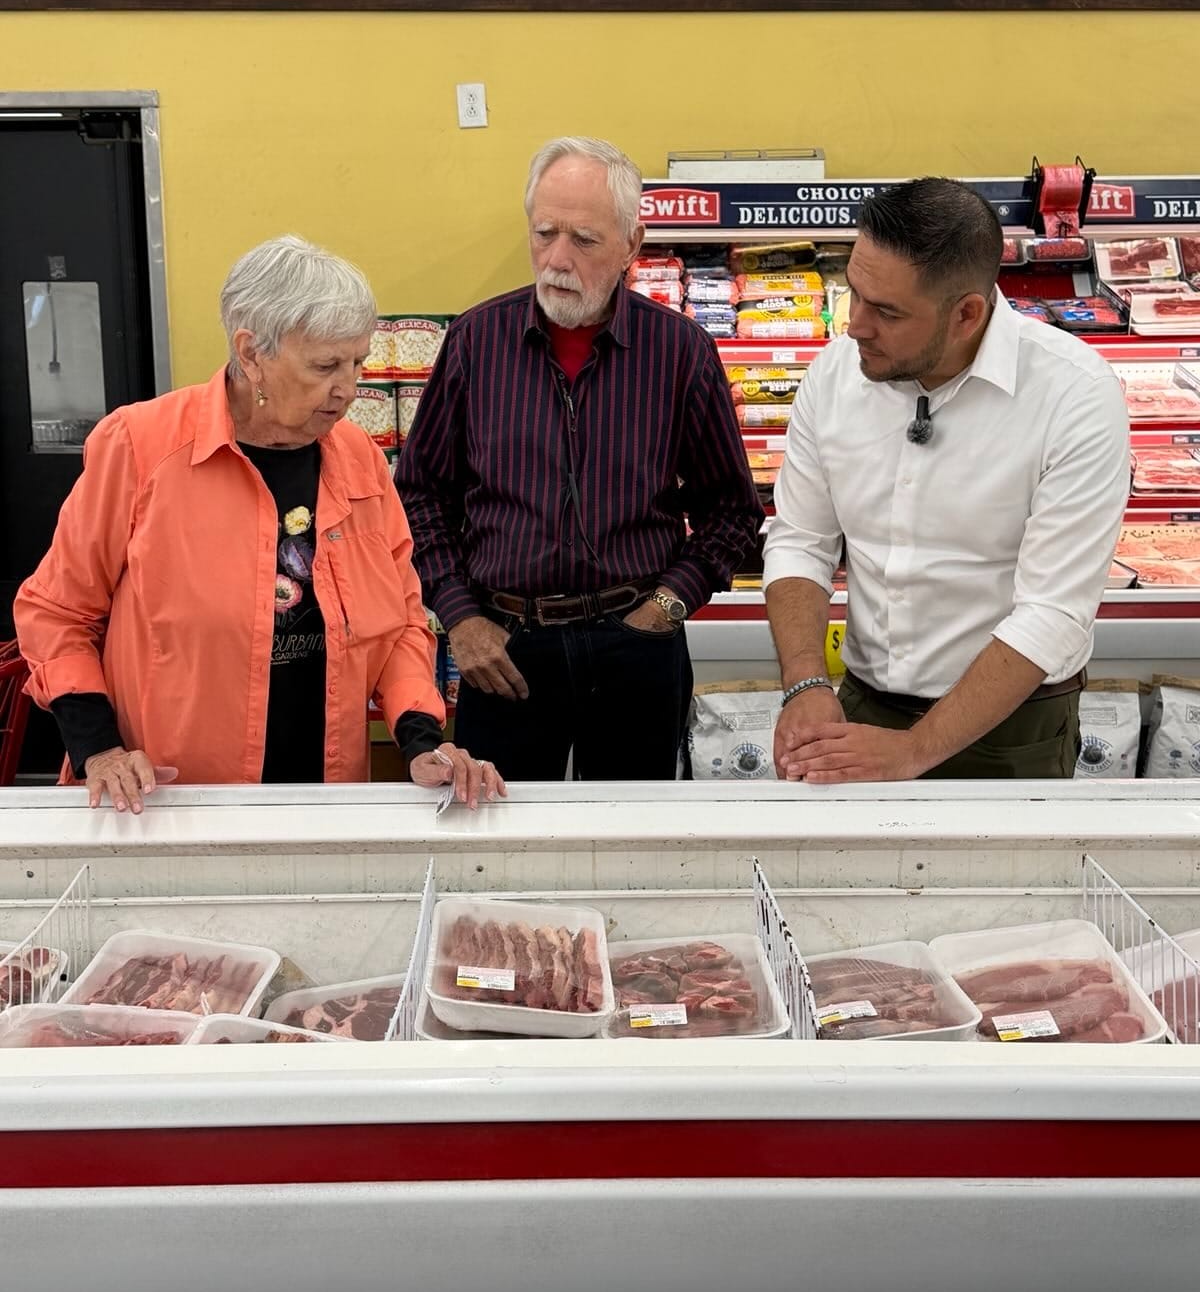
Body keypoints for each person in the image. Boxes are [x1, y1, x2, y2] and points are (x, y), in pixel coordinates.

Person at [15, 235, 504, 813]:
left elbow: (397, 622)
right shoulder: (140, 447)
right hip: (162, 800)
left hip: (322, 794)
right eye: (325, 366)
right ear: (251, 354)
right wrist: (100, 749)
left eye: (357, 363)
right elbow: (58, 613)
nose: (349, 389)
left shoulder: (359, 458)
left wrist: (423, 740)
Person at [397, 136, 761, 781]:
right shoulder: (476, 342)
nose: (558, 260)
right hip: (502, 649)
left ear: (632, 243)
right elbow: (422, 494)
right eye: (544, 234)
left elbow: (730, 511)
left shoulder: (680, 352)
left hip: (639, 645)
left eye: (585, 240)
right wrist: (460, 618)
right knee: (497, 843)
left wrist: (669, 605)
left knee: (633, 846)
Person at [764, 176, 1130, 784]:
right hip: (862, 703)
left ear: (966, 314)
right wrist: (805, 683)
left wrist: (914, 750)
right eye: (855, 293)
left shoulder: (1075, 395)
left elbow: (1052, 612)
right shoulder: (833, 377)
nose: (855, 325)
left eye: (885, 311)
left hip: (1012, 729)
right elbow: (800, 539)